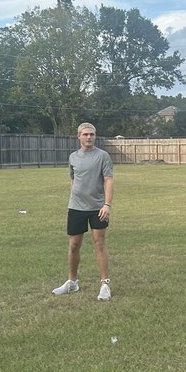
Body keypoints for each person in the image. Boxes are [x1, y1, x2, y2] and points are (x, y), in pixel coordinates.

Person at [53, 122, 114, 301]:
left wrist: (107, 205)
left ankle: (105, 284)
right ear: (79, 136)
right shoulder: (73, 157)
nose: (89, 137)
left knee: (99, 243)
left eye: (92, 134)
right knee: (73, 244)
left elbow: (108, 180)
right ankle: (72, 282)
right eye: (85, 134)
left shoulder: (103, 156)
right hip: (76, 207)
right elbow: (73, 180)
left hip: (98, 208)